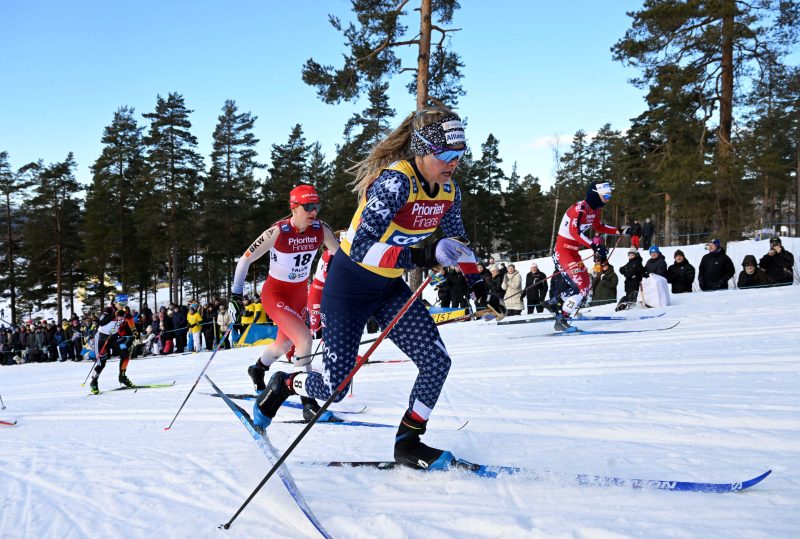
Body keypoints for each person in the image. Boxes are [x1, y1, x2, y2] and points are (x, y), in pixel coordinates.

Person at [251, 107, 504, 470]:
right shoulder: (396, 183)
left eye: (459, 154)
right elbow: (360, 249)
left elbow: (458, 241)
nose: (454, 163)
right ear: (423, 150)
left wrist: (480, 285)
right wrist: (424, 254)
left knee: (436, 363)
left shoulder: (449, 191)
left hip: (387, 289)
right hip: (348, 289)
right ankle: (284, 383)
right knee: (335, 390)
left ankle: (408, 443)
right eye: (446, 154)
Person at [228, 184, 340, 422]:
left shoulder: (320, 229)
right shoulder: (278, 232)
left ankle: (258, 369)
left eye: (316, 206)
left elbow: (338, 255)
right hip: (276, 294)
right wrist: (236, 295)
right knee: (304, 339)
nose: (313, 212)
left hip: (299, 294)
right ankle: (308, 403)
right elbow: (244, 260)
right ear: (294, 207)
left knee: (283, 344)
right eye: (308, 207)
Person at [544, 180, 629, 330]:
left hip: (573, 252)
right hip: (563, 252)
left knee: (586, 285)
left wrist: (619, 231)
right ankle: (562, 318)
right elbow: (574, 231)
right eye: (606, 196)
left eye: (609, 196)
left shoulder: (594, 210)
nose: (608, 199)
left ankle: (554, 302)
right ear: (596, 194)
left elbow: (598, 226)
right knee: (581, 287)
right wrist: (594, 246)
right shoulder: (580, 208)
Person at [89, 294, 138, 394]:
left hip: (114, 336)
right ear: (115, 303)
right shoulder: (109, 309)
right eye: (121, 304)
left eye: (125, 303)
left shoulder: (125, 310)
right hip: (101, 338)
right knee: (101, 363)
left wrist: (134, 329)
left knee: (125, 355)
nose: (123, 306)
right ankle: (94, 381)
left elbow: (129, 319)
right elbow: (101, 322)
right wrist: (114, 315)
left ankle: (122, 377)